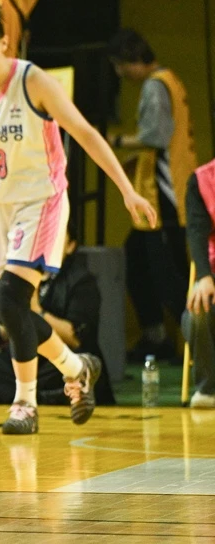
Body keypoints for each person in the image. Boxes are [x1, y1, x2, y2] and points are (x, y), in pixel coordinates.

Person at [0, 10, 156, 434]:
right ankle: (77, 368)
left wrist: (127, 190)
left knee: (10, 301)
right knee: (9, 314)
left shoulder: (32, 80)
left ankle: (25, 403)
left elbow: (85, 132)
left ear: (4, 43)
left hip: (39, 201)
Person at [107, 29, 196, 362]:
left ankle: (200, 340)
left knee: (170, 276)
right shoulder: (170, 80)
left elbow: (156, 137)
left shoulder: (155, 85)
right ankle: (156, 336)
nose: (120, 74)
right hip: (162, 194)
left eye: (119, 65)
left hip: (165, 198)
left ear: (130, 59)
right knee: (137, 261)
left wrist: (114, 142)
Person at [0, 224, 116, 406]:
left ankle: (12, 392)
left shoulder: (81, 281)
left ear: (70, 246)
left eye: (55, 238)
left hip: (61, 358)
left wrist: (35, 309)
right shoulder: (18, 275)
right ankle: (39, 396)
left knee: (78, 360)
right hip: (27, 357)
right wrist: (9, 316)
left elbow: (74, 338)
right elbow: (2, 333)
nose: (46, 245)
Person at [182, 159, 215, 408]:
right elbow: (196, 231)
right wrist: (204, 277)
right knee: (199, 308)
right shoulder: (203, 179)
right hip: (212, 274)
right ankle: (208, 390)